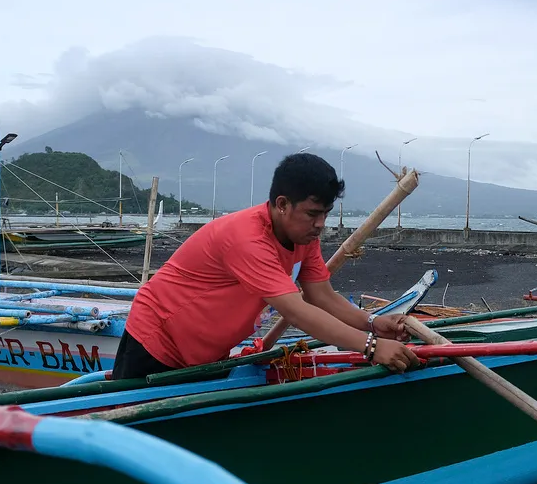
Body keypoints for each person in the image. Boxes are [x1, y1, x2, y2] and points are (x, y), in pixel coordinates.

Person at [112, 153, 421, 379]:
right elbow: (297, 311)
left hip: (206, 353)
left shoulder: (303, 237)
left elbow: (321, 297)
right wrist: (370, 347)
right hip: (156, 341)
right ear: (282, 204)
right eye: (312, 213)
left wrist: (371, 323)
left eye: (326, 213)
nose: (320, 224)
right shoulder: (247, 239)